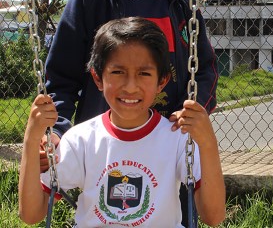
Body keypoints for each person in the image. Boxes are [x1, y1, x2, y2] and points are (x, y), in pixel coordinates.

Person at [41, 0, 218, 225]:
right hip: (109, 143)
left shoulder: (181, 3)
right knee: (111, 211)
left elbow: (205, 68)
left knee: (168, 209)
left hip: (167, 143)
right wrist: (57, 131)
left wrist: (196, 117)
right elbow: (59, 77)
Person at [20, 17, 226, 227]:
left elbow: (213, 217)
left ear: (161, 81)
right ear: (98, 78)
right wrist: (31, 139)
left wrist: (208, 143)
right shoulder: (80, 139)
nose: (130, 86)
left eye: (144, 73)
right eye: (118, 72)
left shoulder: (176, 138)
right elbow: (31, 214)